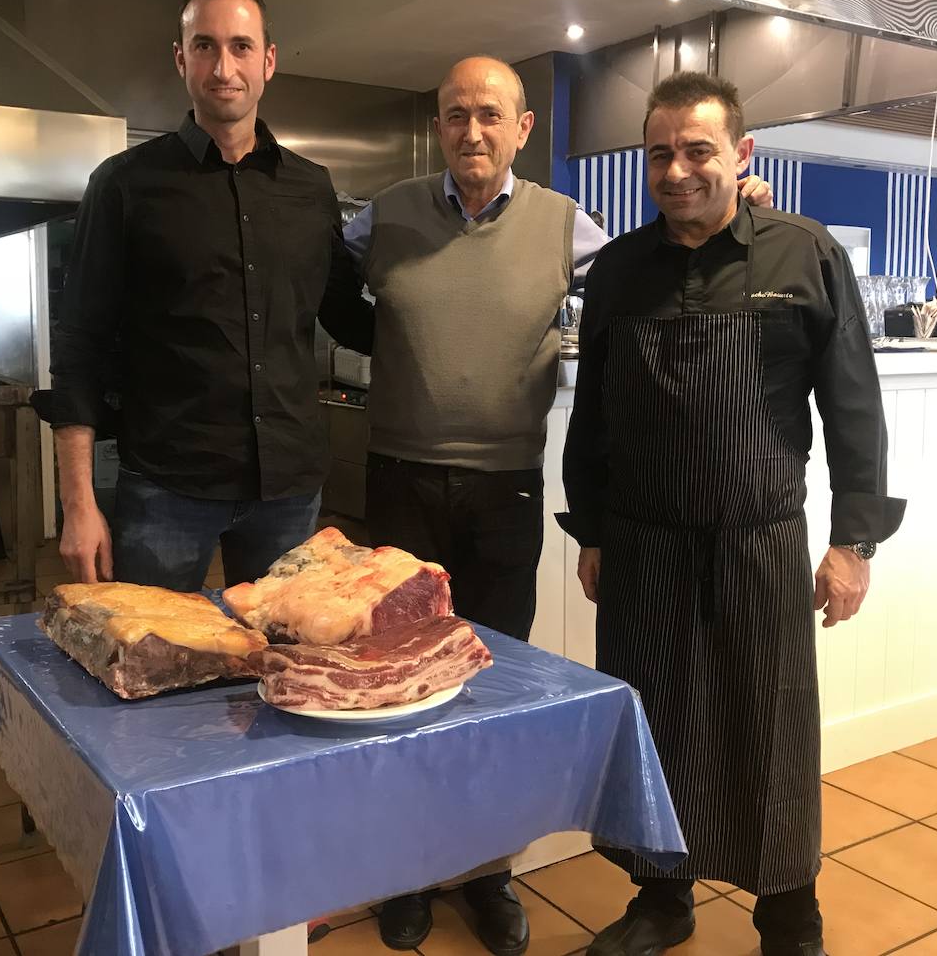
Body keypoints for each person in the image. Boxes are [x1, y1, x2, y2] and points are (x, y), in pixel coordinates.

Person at [324, 57, 774, 956]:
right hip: (400, 481)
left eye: (490, 114)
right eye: (455, 114)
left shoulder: (571, 227)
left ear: (523, 128)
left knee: (489, 693)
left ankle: (486, 870)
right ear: (439, 124)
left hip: (505, 489)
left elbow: (662, 261)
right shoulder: (386, 215)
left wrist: (744, 215)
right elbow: (322, 283)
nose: (472, 132)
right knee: (397, 688)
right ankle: (406, 871)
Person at [559, 72, 906, 956]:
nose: (677, 170)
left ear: (741, 154)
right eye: (660, 153)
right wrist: (592, 528)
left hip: (759, 542)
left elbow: (855, 409)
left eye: (698, 150)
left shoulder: (804, 254)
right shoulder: (622, 271)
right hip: (642, 544)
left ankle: (791, 915)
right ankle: (662, 898)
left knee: (771, 728)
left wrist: (852, 542)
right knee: (656, 722)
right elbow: (593, 412)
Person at [50, 0, 368, 590]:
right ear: (181, 59)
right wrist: (78, 503)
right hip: (167, 489)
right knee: (154, 669)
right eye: (205, 46)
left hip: (288, 492)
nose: (224, 66)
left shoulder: (311, 188)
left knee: (286, 673)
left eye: (242, 46)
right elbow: (79, 343)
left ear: (268, 61)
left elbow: (344, 315)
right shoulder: (124, 185)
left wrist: (447, 311)